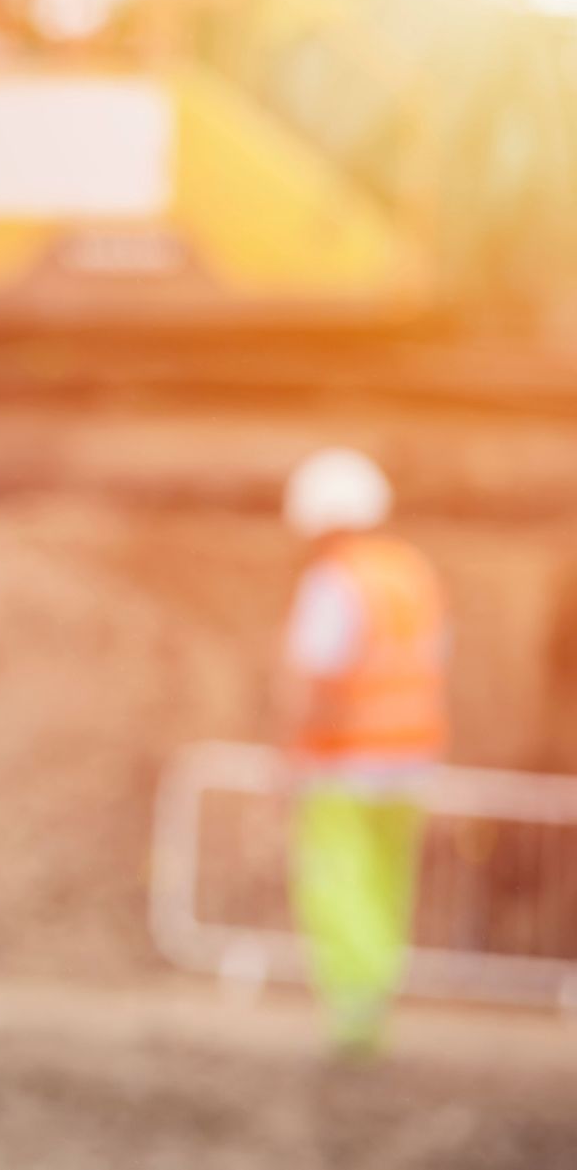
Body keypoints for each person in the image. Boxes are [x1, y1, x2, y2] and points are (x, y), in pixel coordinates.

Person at [278, 446, 447, 1054]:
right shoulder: (411, 572)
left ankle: (352, 1013)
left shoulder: (336, 579)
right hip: (412, 758)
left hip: (344, 761)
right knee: (385, 884)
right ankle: (376, 1000)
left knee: (339, 882)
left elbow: (316, 677)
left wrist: (293, 750)